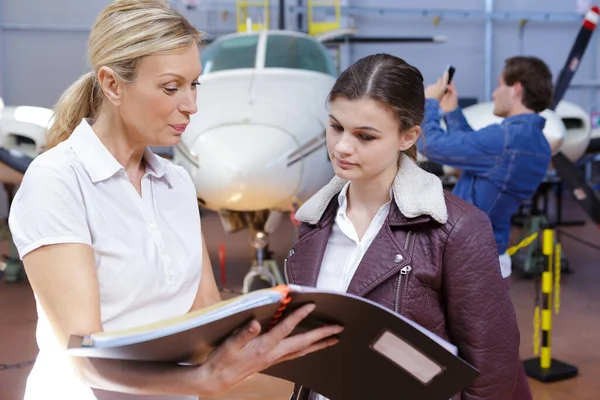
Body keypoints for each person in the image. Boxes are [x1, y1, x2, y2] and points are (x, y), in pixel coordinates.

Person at [7, 1, 343, 399]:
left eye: (194, 84)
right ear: (113, 85)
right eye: (171, 88)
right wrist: (203, 380)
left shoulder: (176, 183)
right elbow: (83, 356)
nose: (191, 106)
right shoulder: (57, 180)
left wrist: (277, 339)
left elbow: (203, 311)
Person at [284, 53, 532, 400]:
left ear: (408, 137)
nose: (342, 147)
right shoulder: (315, 223)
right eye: (336, 126)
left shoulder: (456, 229)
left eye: (365, 136)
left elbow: (492, 372)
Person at [418, 56, 554, 279]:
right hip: (491, 253)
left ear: (516, 88)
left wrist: (429, 102)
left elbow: (429, 143)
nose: (494, 94)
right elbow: (479, 153)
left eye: (500, 85)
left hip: (470, 260)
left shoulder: (506, 138)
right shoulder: (538, 143)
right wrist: (452, 113)